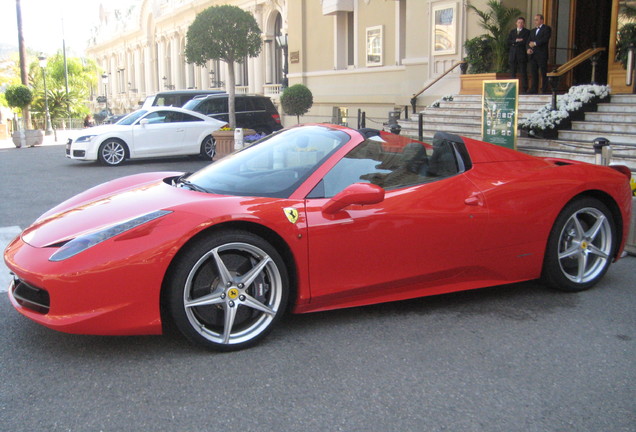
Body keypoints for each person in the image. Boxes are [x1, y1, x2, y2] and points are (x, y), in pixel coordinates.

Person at [527, 14, 552, 94]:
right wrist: (528, 49)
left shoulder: (546, 29)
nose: (535, 21)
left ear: (542, 20)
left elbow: (545, 39)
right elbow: (528, 41)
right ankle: (534, 89)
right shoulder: (533, 31)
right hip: (533, 55)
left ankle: (544, 89)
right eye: (535, 20)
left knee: (543, 72)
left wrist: (535, 43)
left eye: (537, 20)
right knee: (534, 72)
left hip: (542, 54)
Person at [508, 17, 530, 93]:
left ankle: (524, 89)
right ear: (516, 23)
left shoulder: (527, 32)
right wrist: (516, 40)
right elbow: (508, 41)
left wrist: (516, 42)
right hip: (513, 55)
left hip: (522, 55)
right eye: (519, 22)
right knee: (512, 72)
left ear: (524, 24)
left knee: (523, 72)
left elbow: (525, 41)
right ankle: (512, 89)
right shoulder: (512, 32)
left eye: (522, 22)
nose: (520, 24)